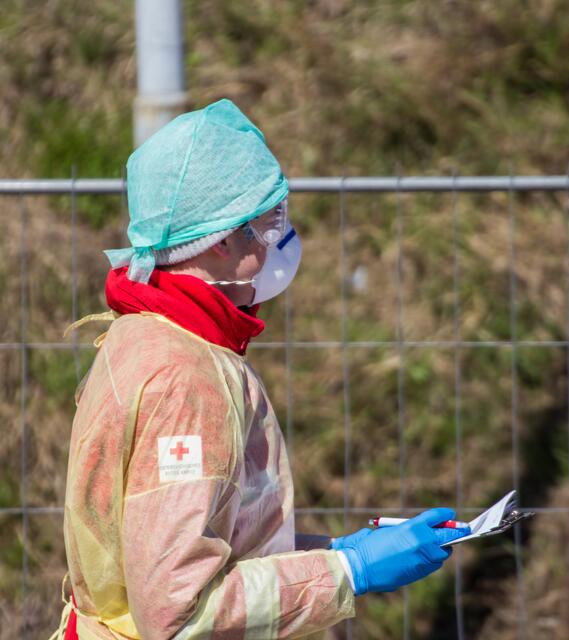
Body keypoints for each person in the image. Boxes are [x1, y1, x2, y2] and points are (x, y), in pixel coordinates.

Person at [53, 99, 469, 640]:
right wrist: (349, 572)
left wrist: (334, 552)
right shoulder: (184, 377)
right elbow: (179, 613)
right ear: (221, 239)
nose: (279, 240)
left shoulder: (147, 329)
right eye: (267, 222)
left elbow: (209, 543)